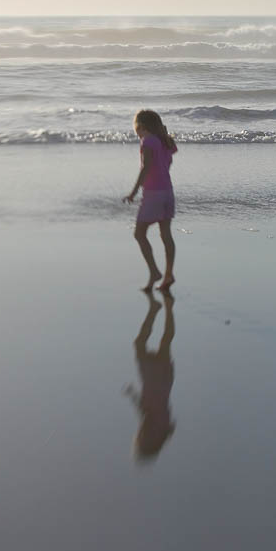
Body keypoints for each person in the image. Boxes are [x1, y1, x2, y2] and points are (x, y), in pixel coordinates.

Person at [122, 109, 178, 292]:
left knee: (139, 234)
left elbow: (146, 168)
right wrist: (163, 132)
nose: (135, 132)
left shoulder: (148, 141)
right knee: (166, 234)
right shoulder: (165, 141)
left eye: (136, 128)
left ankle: (155, 272)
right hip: (168, 192)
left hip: (153, 194)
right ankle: (168, 274)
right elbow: (169, 156)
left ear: (141, 126)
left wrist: (133, 192)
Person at [124, 291, 176, 461]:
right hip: (156, 378)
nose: (139, 435)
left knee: (160, 343)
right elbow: (146, 411)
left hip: (156, 378)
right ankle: (162, 310)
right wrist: (132, 395)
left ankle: (161, 310)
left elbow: (142, 407)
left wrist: (132, 394)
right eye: (140, 440)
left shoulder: (160, 426)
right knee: (156, 343)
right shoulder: (158, 425)